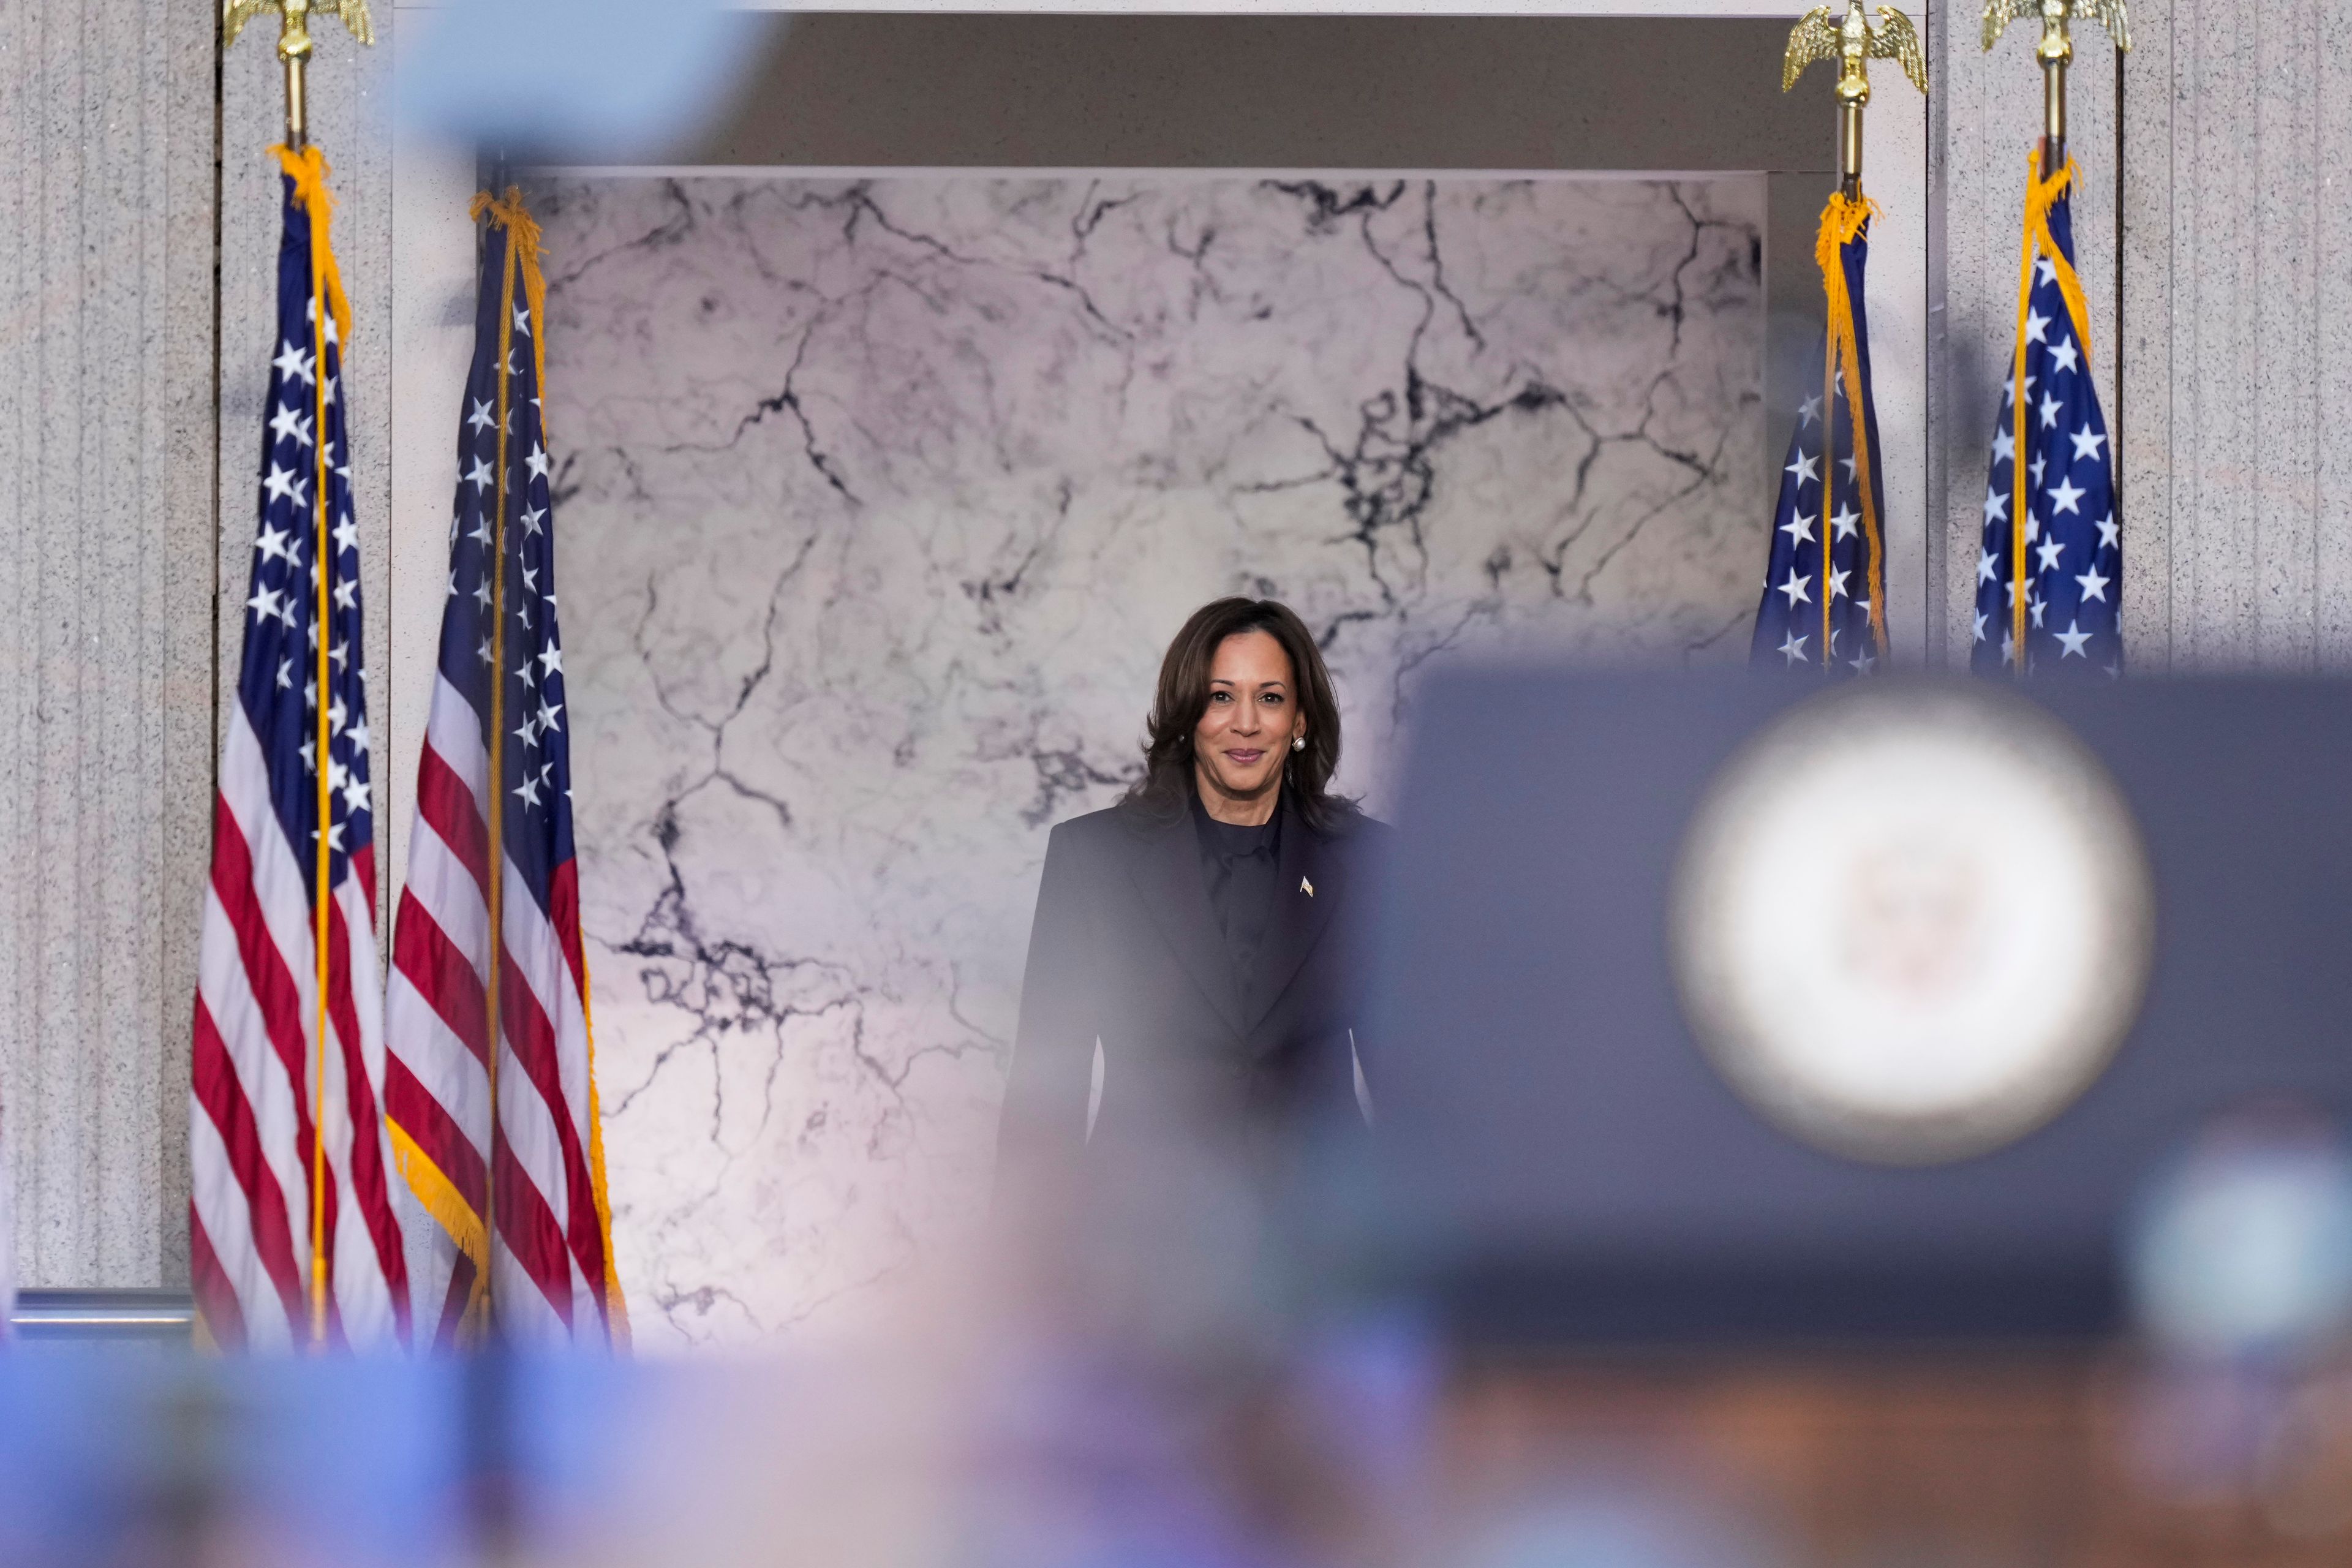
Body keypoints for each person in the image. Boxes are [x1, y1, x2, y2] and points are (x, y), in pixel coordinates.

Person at [997, 597, 1389, 1191]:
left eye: (1272, 697)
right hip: (1138, 1252)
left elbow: (1416, 1090)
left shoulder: (1371, 861)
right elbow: (1045, 1098)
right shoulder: (1093, 860)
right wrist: (1026, 1272)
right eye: (1221, 696)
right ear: (1187, 714)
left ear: (1302, 720)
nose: (1247, 723)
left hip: (1325, 1249)